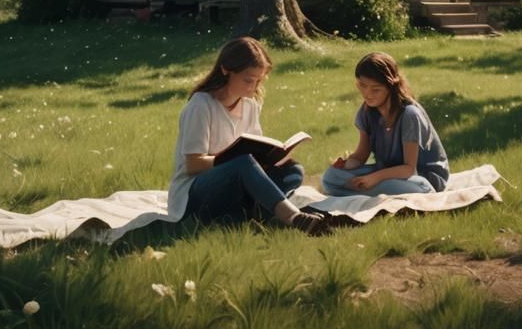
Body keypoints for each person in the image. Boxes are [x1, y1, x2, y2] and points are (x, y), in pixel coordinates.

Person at [167, 36, 329, 235]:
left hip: (236, 185)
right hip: (195, 191)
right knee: (242, 163)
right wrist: (232, 162)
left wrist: (273, 159)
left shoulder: (250, 105)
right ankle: (293, 217)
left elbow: (255, 150)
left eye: (259, 80)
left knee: (293, 170)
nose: (253, 87)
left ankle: (243, 214)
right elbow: (193, 165)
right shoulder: (201, 106)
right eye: (248, 80)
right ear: (226, 70)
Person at [321, 51, 449, 197]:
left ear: (391, 86)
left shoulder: (410, 115)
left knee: (391, 185)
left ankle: (364, 189)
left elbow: (409, 169)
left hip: (421, 179)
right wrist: (346, 165)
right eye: (362, 86)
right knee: (330, 177)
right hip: (388, 171)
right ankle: (369, 189)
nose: (367, 94)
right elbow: (361, 156)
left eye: (376, 89)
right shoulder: (367, 112)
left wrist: (374, 178)